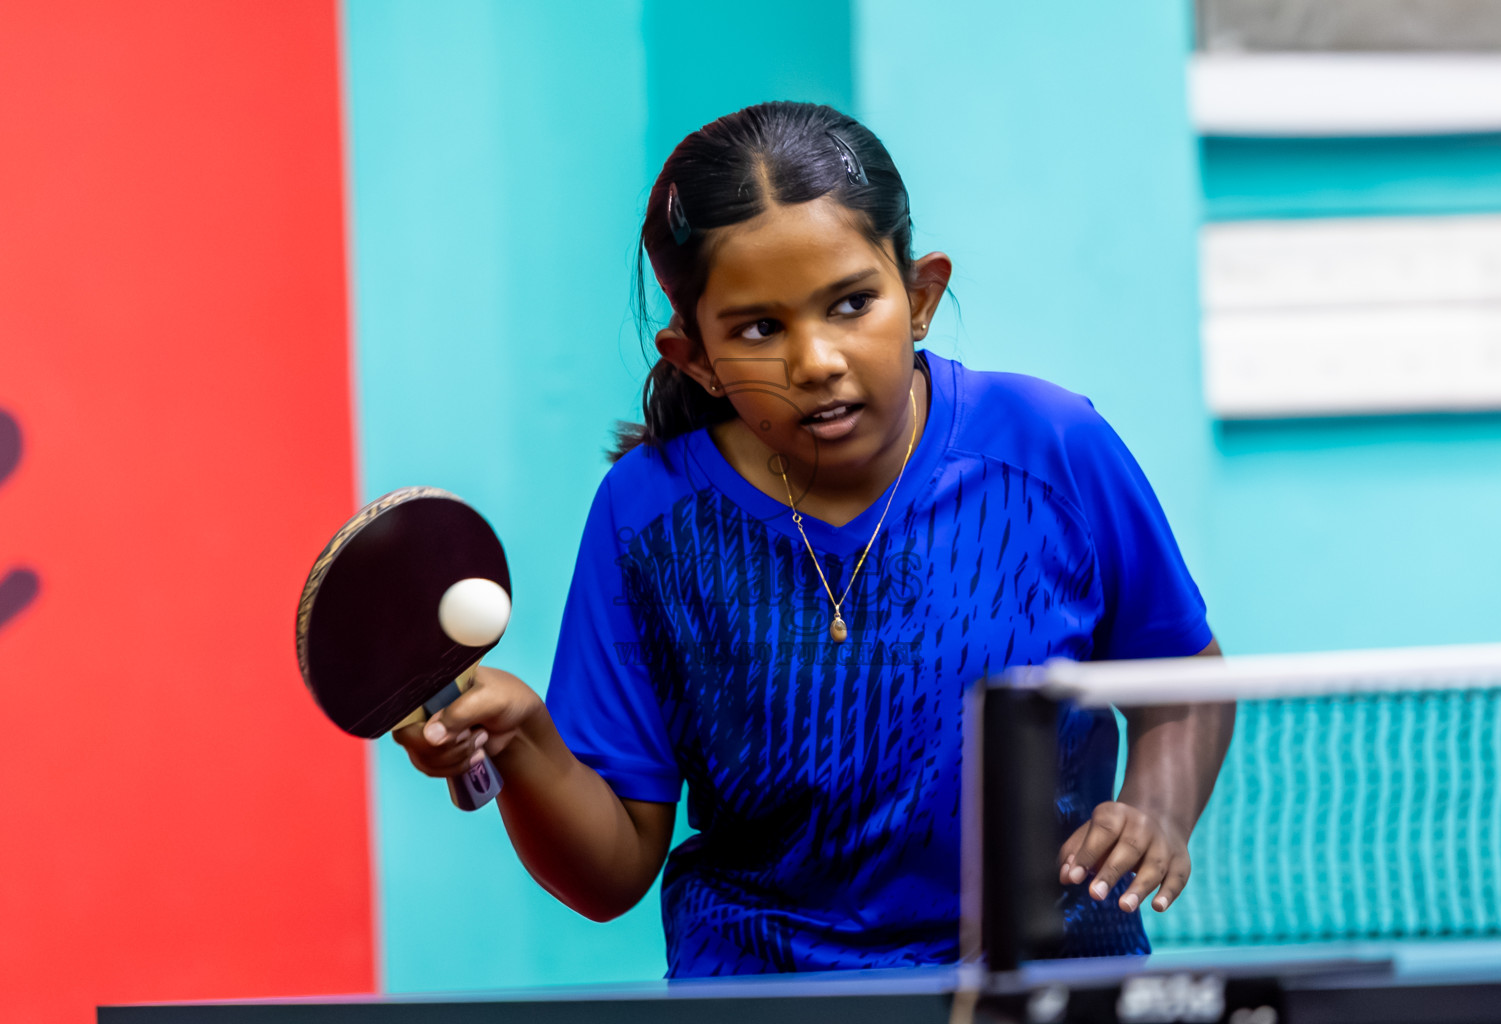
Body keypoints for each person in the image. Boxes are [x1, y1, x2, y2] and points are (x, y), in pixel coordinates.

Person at [393, 101, 1235, 977]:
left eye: (851, 304)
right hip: (770, 992)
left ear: (920, 296)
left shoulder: (1050, 445)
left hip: (1049, 977)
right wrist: (526, 737)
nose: (817, 360)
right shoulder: (646, 515)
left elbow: (1183, 683)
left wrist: (1157, 811)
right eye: (759, 328)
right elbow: (610, 876)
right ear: (696, 358)